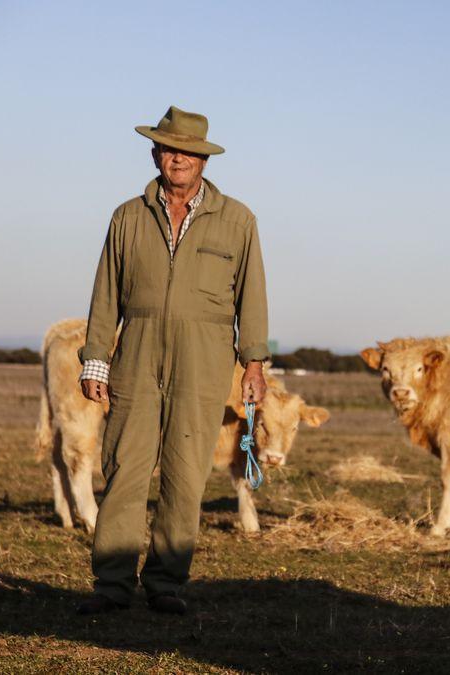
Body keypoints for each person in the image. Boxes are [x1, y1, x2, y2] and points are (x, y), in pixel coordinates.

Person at [76, 106, 269, 615]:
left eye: (188, 150)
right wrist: (96, 357)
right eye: (168, 148)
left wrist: (253, 364)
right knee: (124, 469)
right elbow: (105, 293)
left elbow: (252, 297)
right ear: (154, 153)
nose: (177, 157)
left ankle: (165, 585)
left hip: (205, 360)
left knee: (186, 474)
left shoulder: (238, 220)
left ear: (203, 159)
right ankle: (112, 586)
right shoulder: (127, 216)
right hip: (136, 353)